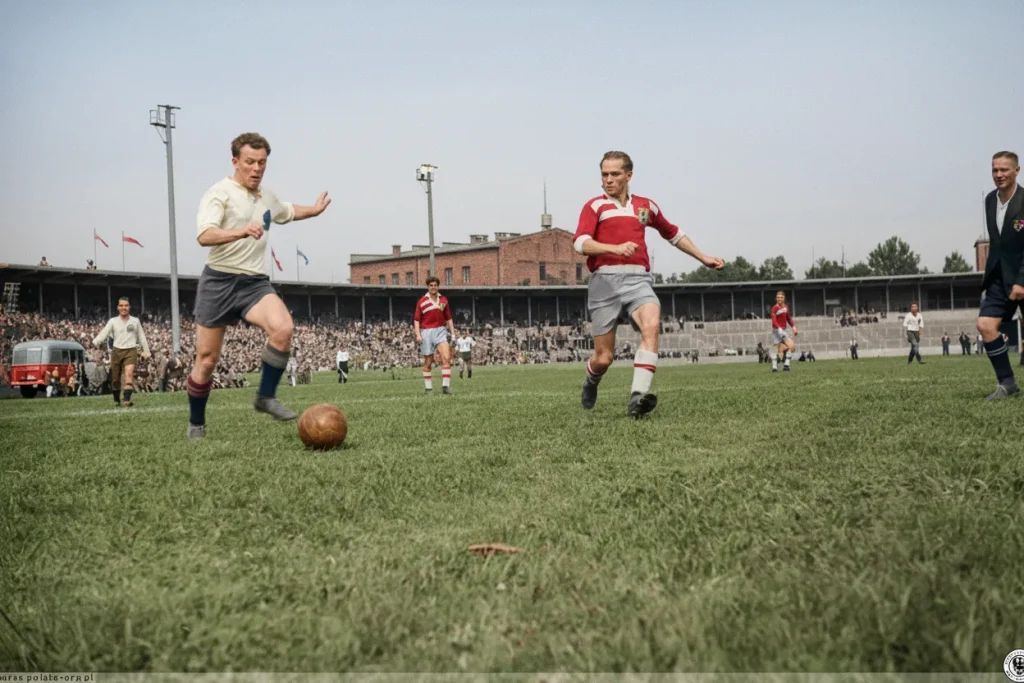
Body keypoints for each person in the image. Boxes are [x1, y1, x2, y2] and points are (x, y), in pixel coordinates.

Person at [186, 132, 331, 438]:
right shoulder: (219, 193)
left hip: (254, 282)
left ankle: (265, 397)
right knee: (207, 360)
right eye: (250, 162)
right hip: (219, 280)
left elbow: (287, 211)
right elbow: (205, 235)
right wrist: (239, 232)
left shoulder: (267, 196)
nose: (256, 168)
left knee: (283, 328)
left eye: (262, 163)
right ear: (235, 161)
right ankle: (196, 423)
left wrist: (314, 211)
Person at [573, 150, 724, 417]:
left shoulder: (645, 206)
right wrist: (615, 248)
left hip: (638, 280)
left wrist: (703, 257)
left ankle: (637, 398)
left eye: (614, 174)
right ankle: (591, 380)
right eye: (604, 174)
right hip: (604, 283)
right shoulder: (595, 206)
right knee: (604, 358)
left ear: (628, 176)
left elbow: (672, 232)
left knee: (652, 325)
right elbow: (580, 243)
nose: (608, 180)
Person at [977, 151, 1024, 399]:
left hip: (1022, 275)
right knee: (985, 325)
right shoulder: (989, 200)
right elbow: (998, 243)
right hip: (999, 277)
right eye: (995, 170)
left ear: (1017, 170)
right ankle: (1007, 384)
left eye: (1004, 170)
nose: (999, 175)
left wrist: (1021, 281)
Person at [92, 296, 151, 407]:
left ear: (129, 307)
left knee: (129, 374)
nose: (124, 308)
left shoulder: (135, 321)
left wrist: (146, 351)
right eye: (121, 305)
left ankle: (127, 400)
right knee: (115, 379)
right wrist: (95, 341)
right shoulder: (113, 321)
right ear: (118, 308)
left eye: (126, 305)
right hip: (117, 351)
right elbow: (105, 332)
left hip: (131, 350)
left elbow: (141, 336)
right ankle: (116, 400)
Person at [414, 276, 456, 394]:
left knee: (446, 357)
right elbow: (416, 320)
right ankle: (428, 388)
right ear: (428, 287)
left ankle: (445, 387)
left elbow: (449, 318)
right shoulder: (422, 301)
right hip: (426, 332)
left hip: (441, 331)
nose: (433, 287)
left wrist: (453, 334)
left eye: (435, 285)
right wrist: (418, 334)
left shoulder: (443, 300)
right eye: (431, 285)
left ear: (438, 286)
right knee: (428, 362)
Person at [770, 291, 798, 372]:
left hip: (784, 330)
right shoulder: (774, 308)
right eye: (778, 297)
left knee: (791, 347)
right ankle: (775, 367)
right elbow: (774, 320)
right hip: (776, 331)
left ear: (784, 298)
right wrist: (778, 329)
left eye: (781, 297)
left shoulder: (785, 307)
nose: (779, 299)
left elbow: (788, 318)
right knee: (778, 350)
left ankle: (786, 365)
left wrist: (793, 327)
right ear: (776, 298)